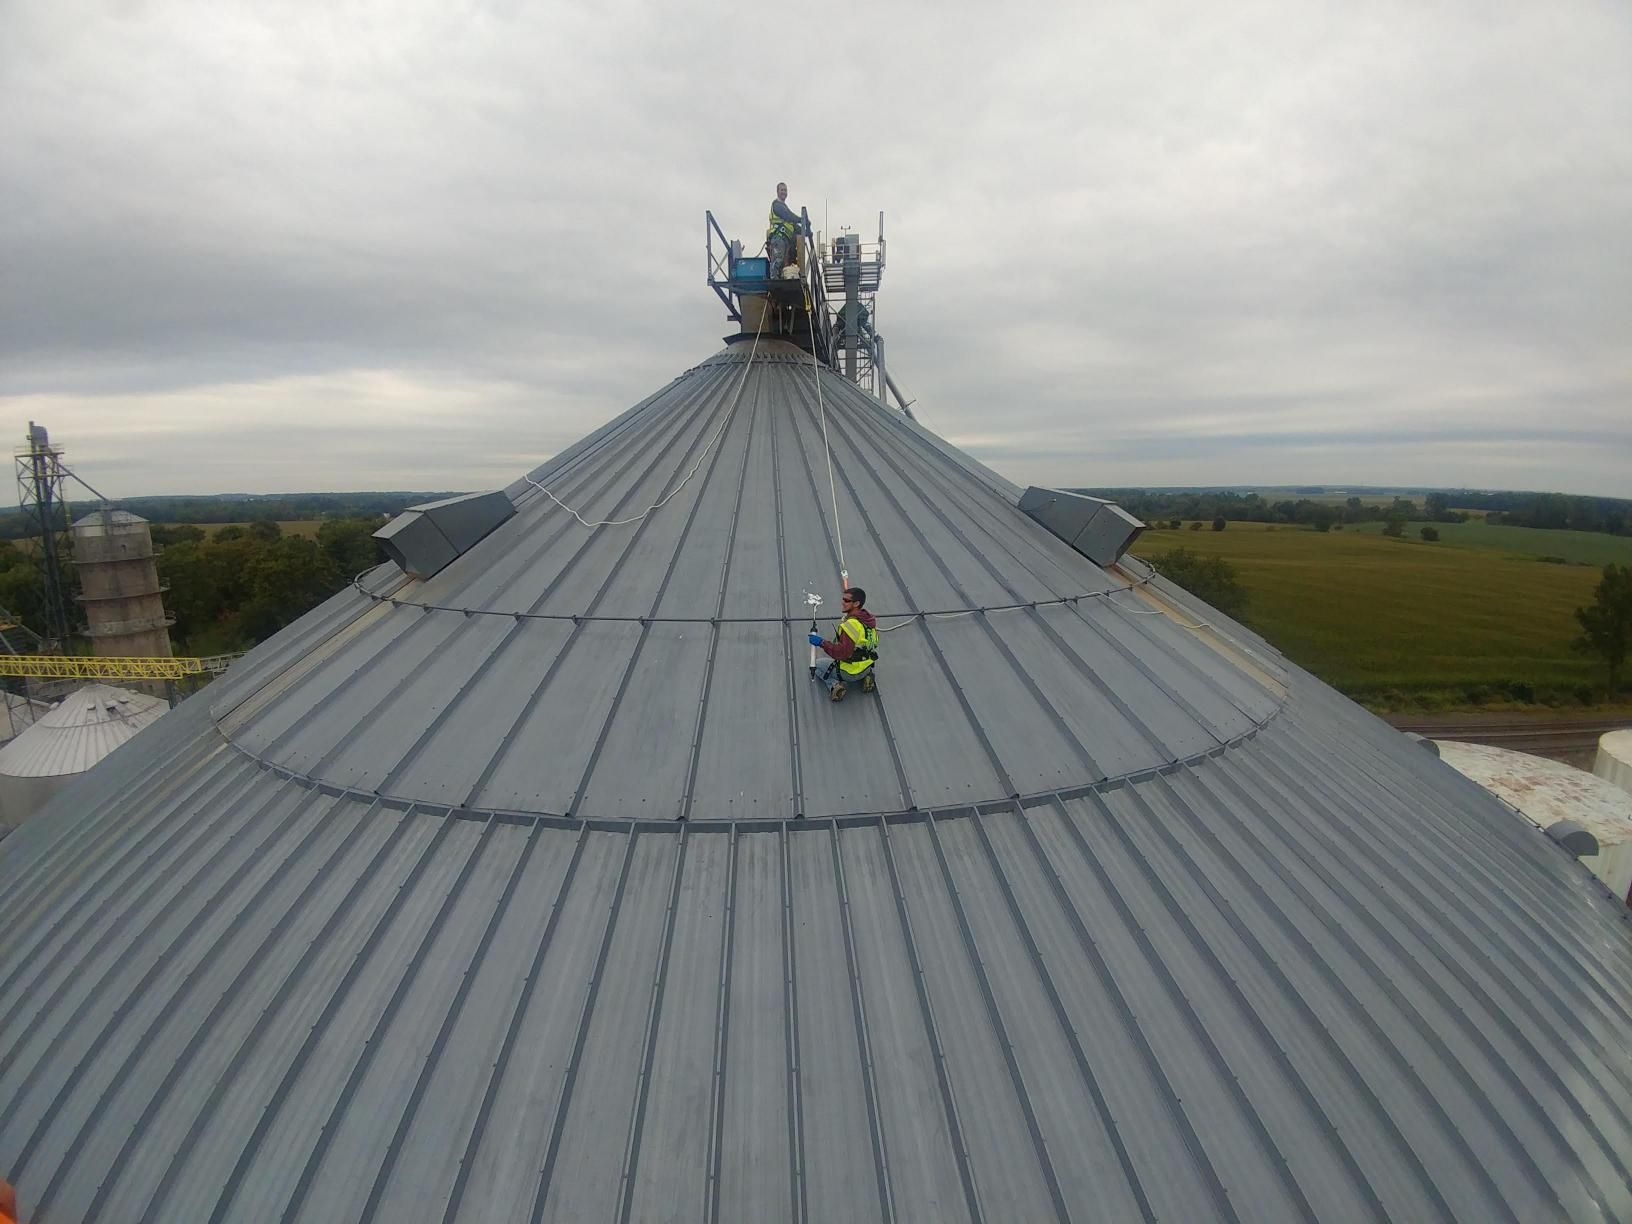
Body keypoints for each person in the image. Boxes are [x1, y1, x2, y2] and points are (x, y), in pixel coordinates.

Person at [808, 587, 878, 702]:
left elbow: (842, 653)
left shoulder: (850, 626)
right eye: (843, 599)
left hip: (849, 672)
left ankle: (835, 686)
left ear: (856, 603)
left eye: (846, 600)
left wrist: (821, 642)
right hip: (866, 667)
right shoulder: (868, 621)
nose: (842, 602)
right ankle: (867, 677)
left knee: (817, 665)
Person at [767, 182, 807, 278]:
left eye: (785, 190)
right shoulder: (777, 205)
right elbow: (789, 216)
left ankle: (781, 278)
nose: (784, 192)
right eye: (782, 190)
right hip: (778, 237)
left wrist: (807, 231)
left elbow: (794, 226)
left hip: (785, 240)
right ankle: (774, 280)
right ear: (777, 191)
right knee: (778, 260)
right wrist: (801, 219)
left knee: (784, 262)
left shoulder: (784, 207)